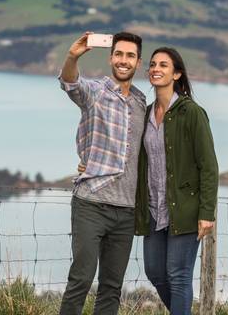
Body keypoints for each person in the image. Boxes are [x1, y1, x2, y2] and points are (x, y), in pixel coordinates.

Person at [58, 31, 147, 315]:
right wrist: (73, 56)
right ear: (111, 58)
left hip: (126, 210)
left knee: (111, 288)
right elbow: (70, 83)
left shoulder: (141, 102)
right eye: (119, 54)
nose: (124, 61)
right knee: (80, 280)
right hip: (91, 204)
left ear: (138, 62)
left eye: (130, 56)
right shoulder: (95, 92)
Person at [135, 47, 218, 315]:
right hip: (153, 209)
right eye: (152, 64)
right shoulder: (145, 113)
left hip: (184, 210)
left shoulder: (191, 112)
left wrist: (206, 213)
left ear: (177, 73)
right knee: (155, 272)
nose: (156, 69)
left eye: (164, 65)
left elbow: (208, 166)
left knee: (179, 275)